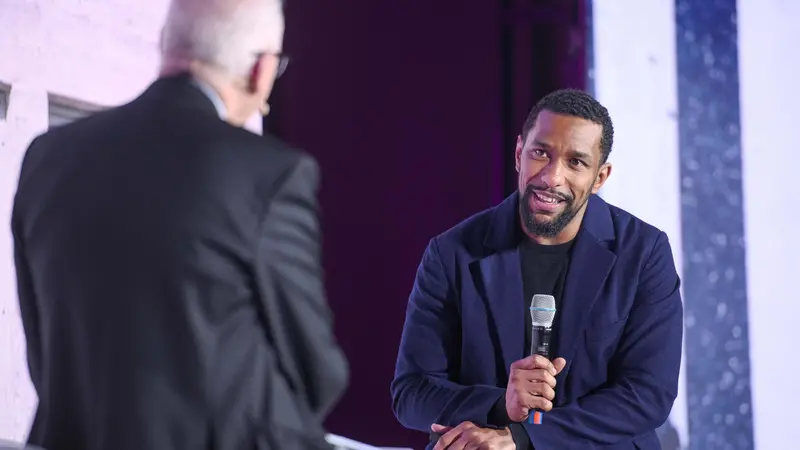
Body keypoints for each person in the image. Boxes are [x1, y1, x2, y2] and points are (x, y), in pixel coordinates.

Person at [11, 1, 348, 449]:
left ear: (165, 44)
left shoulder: (48, 156)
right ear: (260, 69)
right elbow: (315, 369)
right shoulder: (269, 173)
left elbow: (42, 349)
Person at [391, 89, 682, 449]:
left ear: (600, 177)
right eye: (540, 153)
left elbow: (647, 395)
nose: (551, 177)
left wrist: (523, 438)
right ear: (518, 154)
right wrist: (500, 405)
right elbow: (412, 393)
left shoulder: (644, 253)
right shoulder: (451, 253)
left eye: (576, 162)